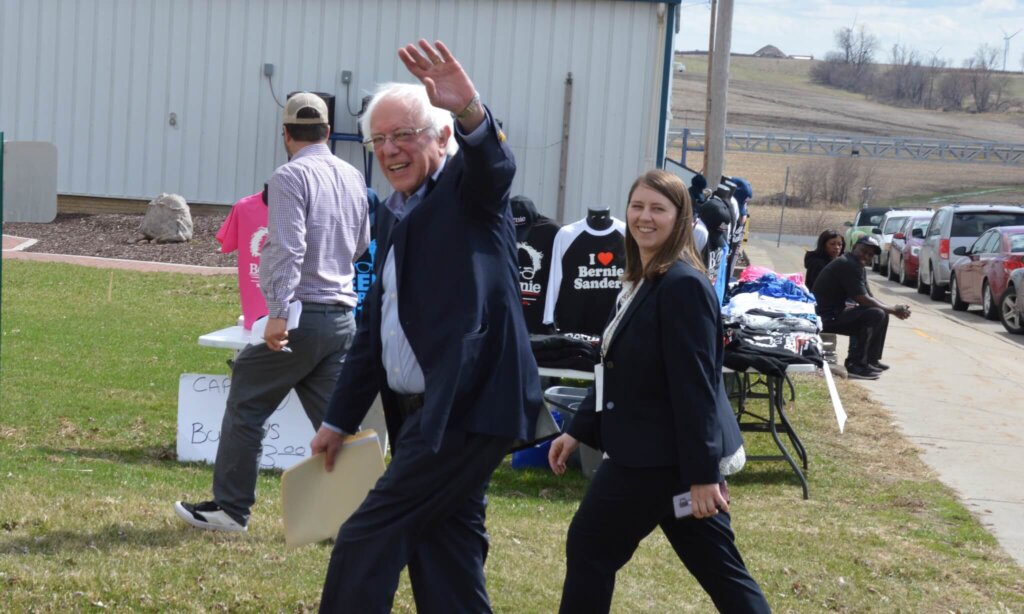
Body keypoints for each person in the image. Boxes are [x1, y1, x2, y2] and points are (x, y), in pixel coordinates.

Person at [311, 40, 542, 612]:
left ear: (441, 140)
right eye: (380, 139)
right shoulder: (392, 215)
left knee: (367, 535)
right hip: (425, 417)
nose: (390, 150)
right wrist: (338, 419)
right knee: (446, 557)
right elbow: (374, 332)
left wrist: (470, 112)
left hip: (466, 410)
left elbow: (495, 166)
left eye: (405, 135)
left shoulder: (468, 195)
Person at [547, 170, 771, 614]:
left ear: (680, 218)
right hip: (665, 457)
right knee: (720, 569)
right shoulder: (642, 279)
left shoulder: (683, 285)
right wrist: (579, 430)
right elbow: (616, 369)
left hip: (657, 458)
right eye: (637, 207)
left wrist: (704, 475)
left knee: (589, 547)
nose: (644, 218)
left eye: (658, 209)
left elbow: (696, 388)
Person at [174, 93, 370, 532]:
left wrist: (278, 311)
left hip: (301, 314)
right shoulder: (353, 176)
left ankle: (231, 508)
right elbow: (360, 245)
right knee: (337, 423)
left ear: (285, 134)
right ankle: (371, 516)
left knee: (246, 398)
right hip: (343, 317)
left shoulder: (288, 176)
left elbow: (286, 246)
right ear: (327, 131)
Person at [812, 235, 911, 380]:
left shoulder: (857, 265)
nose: (866, 255)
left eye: (870, 254)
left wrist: (890, 309)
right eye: (864, 251)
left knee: (881, 312)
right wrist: (893, 309)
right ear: (854, 248)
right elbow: (862, 299)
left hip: (835, 313)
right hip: (825, 317)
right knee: (875, 314)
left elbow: (868, 295)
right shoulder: (847, 264)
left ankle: (871, 360)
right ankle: (855, 365)